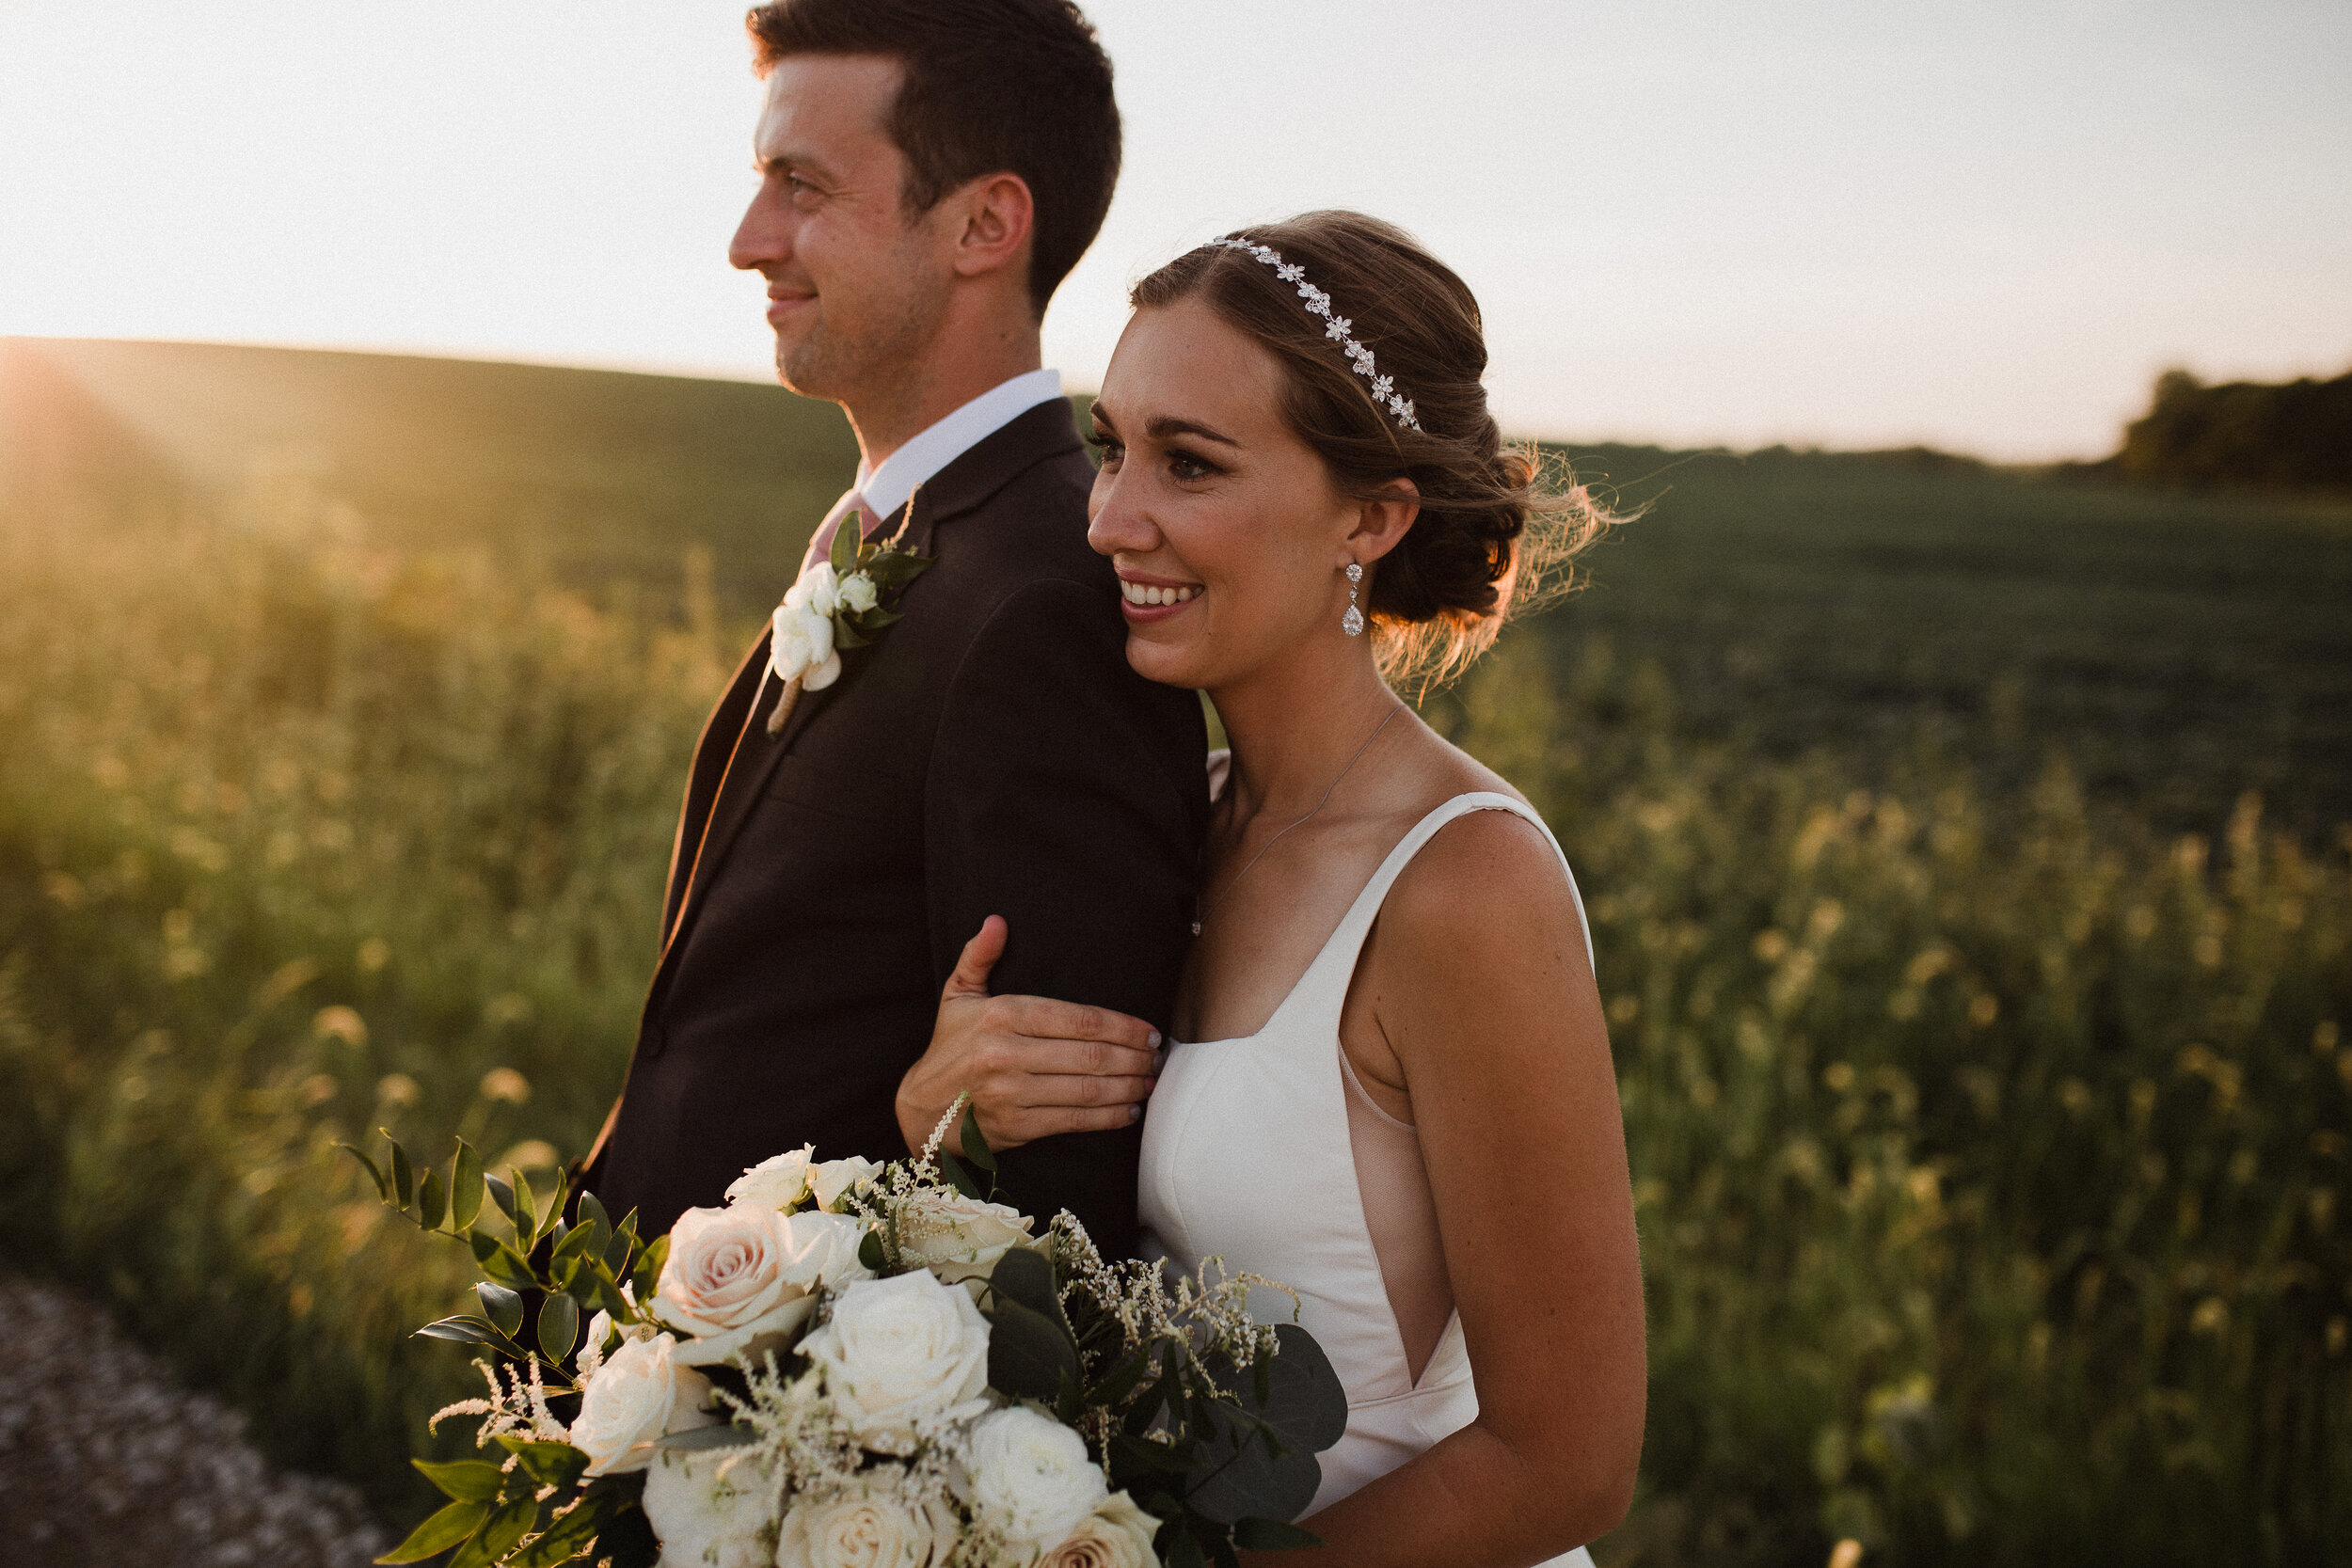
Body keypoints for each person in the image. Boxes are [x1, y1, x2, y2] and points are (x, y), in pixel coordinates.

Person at [946, 211, 1647, 1565]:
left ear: (1369, 520)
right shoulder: (1177, 823)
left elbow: (1566, 1462)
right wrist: (946, 1107)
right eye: (1112, 449)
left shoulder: (1462, 886)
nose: (1107, 519)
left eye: (1187, 465)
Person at [580, 0, 1205, 1257]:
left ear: (985, 222)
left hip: (779, 1410)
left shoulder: (1047, 602)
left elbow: (1042, 1199)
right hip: (652, 1344)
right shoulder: (899, 528)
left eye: (800, 187)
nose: (750, 241)